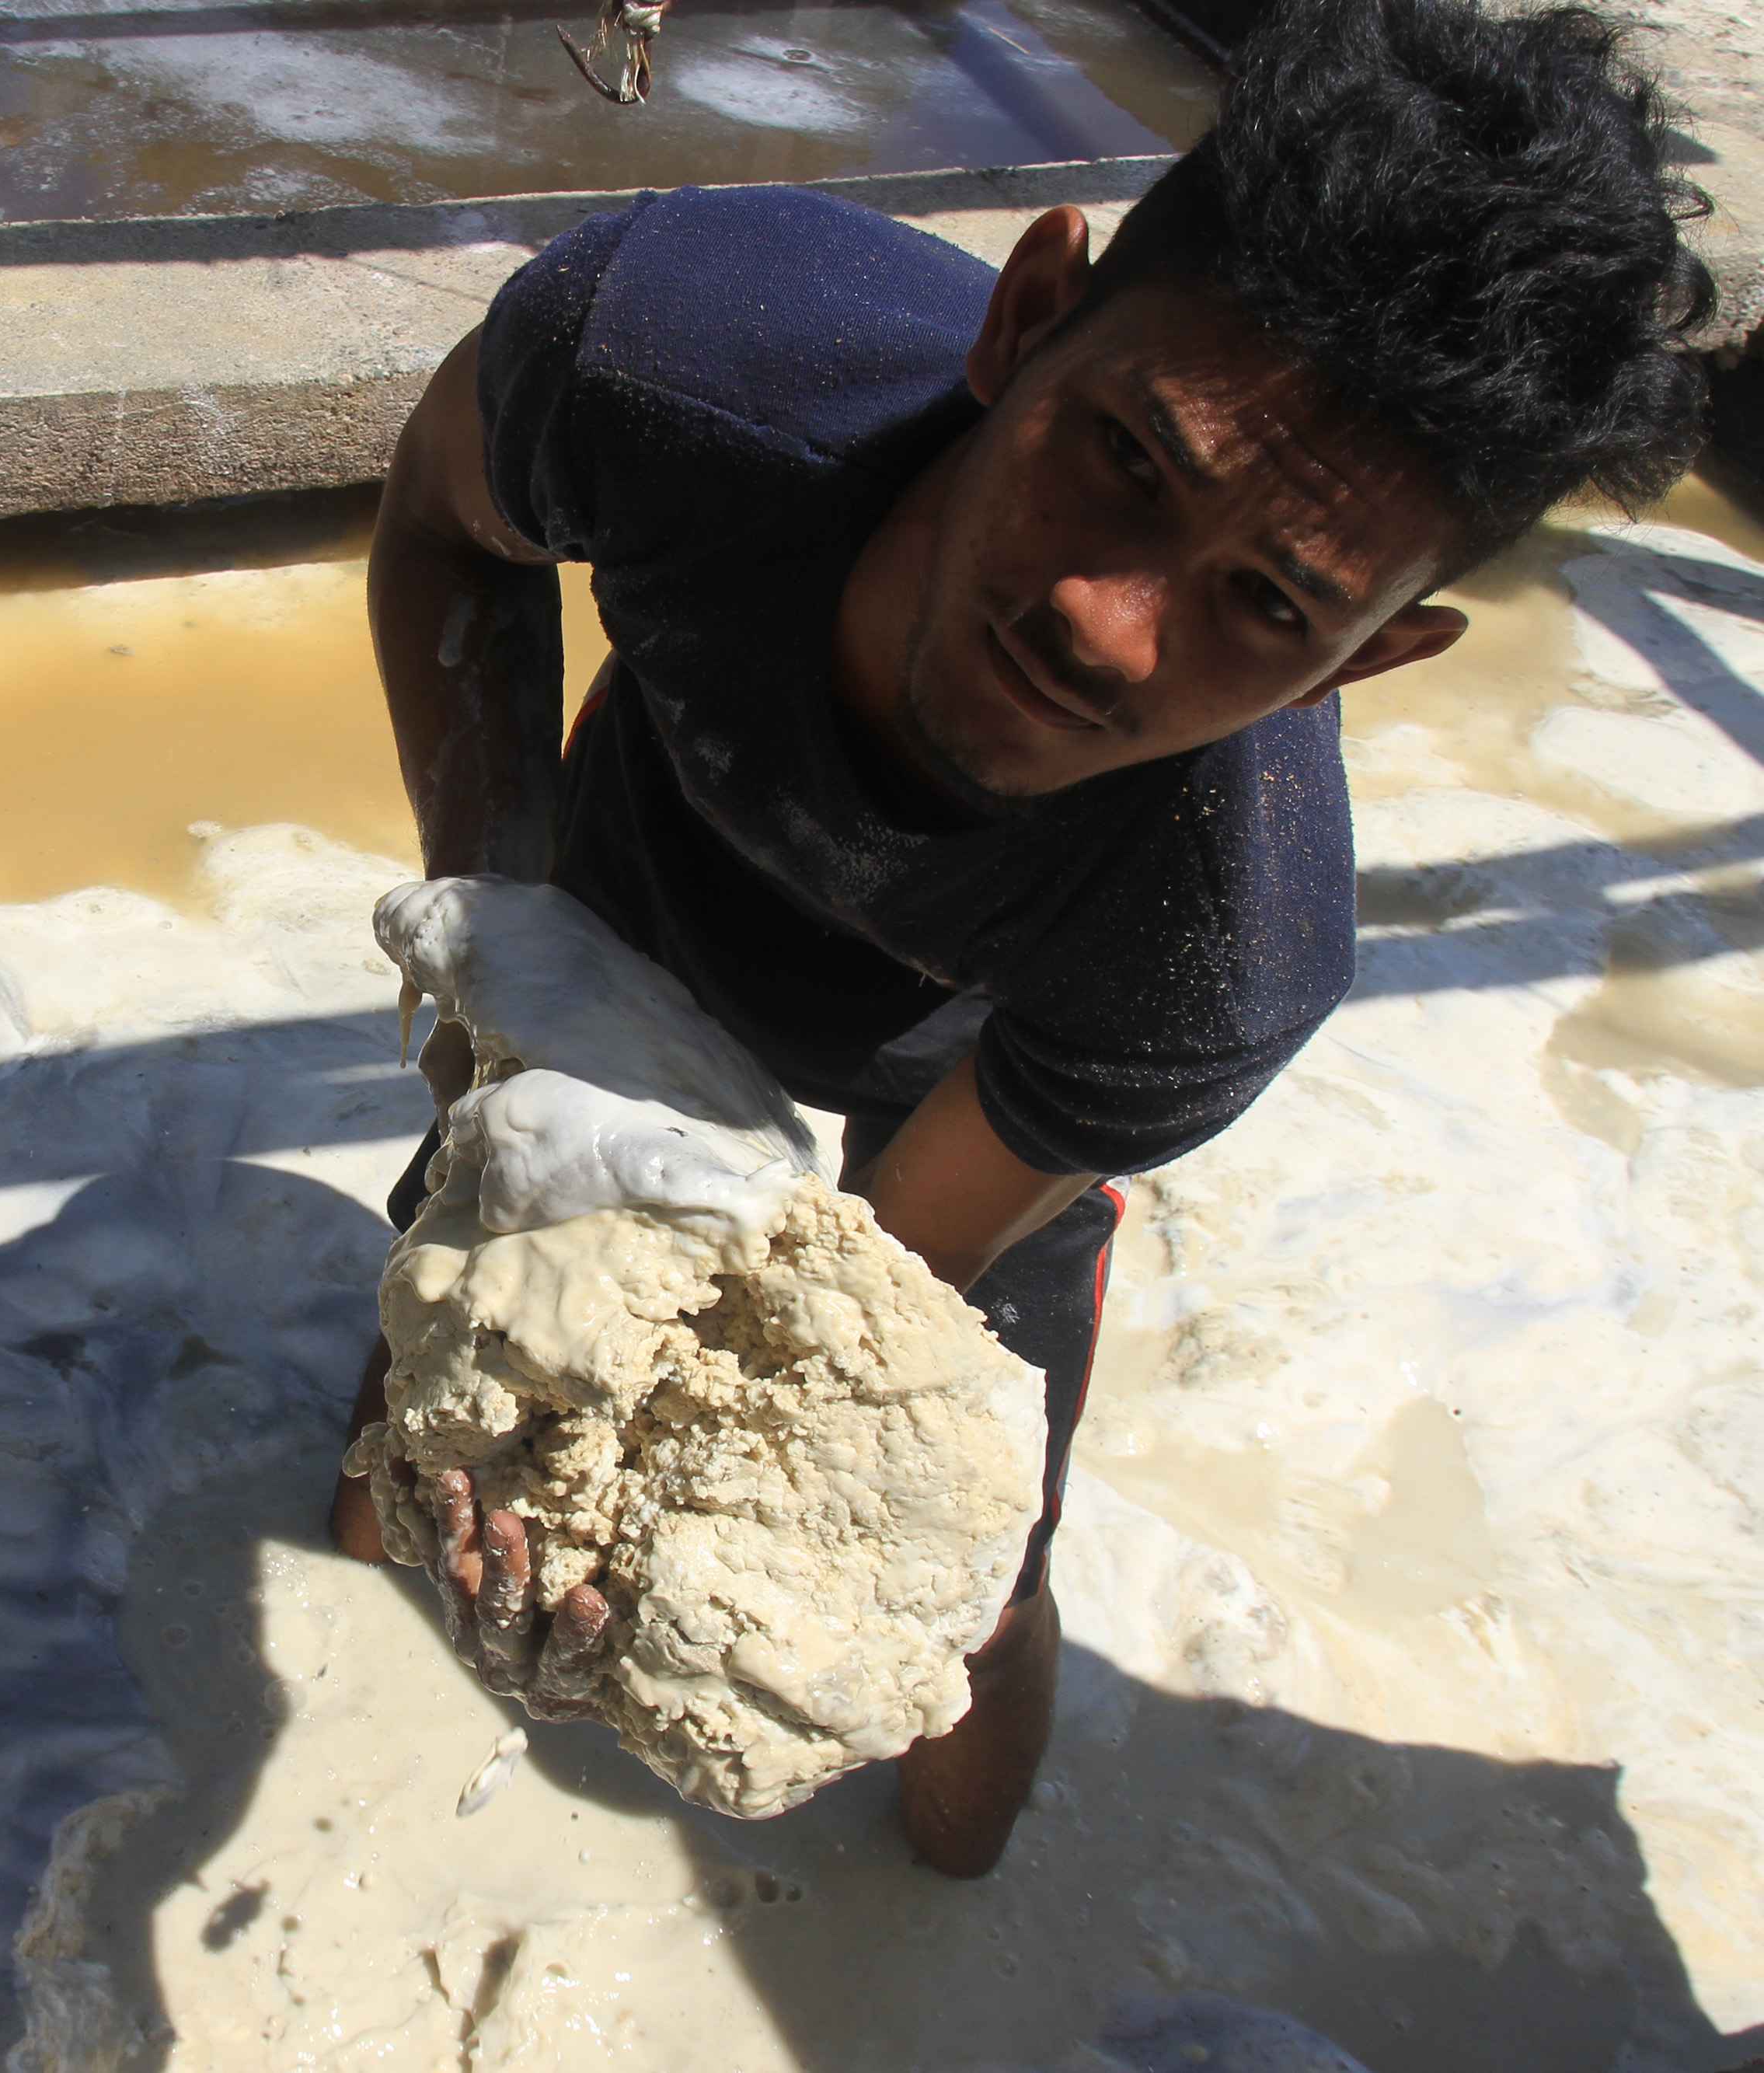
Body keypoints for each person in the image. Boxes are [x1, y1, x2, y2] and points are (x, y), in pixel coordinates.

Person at [327, 0, 1711, 1876]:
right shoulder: (666, 362)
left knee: (969, 1586)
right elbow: (443, 523)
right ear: (1027, 314)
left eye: (1264, 603)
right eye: (1126, 461)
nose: (1106, 626)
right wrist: (502, 970)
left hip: (961, 1071)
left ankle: (942, 1920)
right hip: (624, 903)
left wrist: (670, 1496)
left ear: (1368, 660)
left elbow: (857, 1286)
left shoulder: (1214, 948)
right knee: (410, 1430)